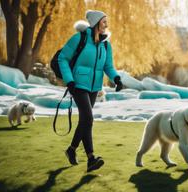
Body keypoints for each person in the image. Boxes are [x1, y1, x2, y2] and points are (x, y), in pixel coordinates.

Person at [58, 10, 123, 172]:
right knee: (88, 119)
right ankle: (91, 158)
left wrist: (116, 78)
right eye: (104, 22)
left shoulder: (106, 44)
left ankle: (71, 150)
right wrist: (69, 80)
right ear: (95, 23)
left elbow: (108, 66)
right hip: (77, 84)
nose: (106, 25)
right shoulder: (79, 38)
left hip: (94, 87)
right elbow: (63, 58)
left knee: (85, 121)